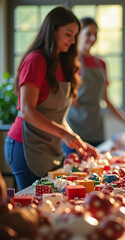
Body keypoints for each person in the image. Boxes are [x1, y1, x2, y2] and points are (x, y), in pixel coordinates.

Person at [4, 6, 98, 190]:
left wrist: (77, 141)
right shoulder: (35, 61)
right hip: (25, 145)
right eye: (68, 34)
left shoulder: (63, 63)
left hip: (50, 146)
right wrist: (64, 134)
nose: (72, 41)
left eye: (75, 36)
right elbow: (28, 111)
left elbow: (58, 117)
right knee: (36, 202)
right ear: (52, 31)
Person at [63, 17, 125, 156]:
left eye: (95, 34)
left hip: (96, 130)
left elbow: (106, 99)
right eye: (88, 34)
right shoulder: (70, 61)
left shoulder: (101, 64)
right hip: (74, 131)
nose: (93, 38)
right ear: (78, 35)